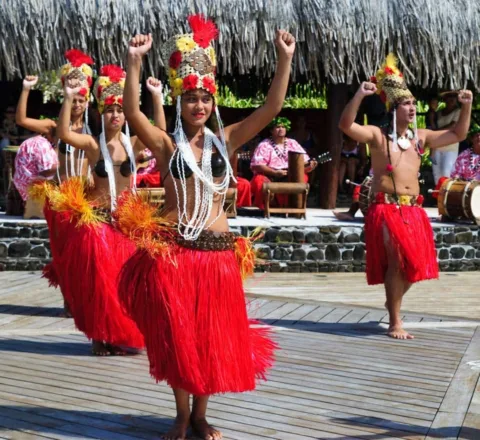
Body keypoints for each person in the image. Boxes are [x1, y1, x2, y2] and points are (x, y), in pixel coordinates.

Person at [118, 14, 294, 440]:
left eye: (205, 99)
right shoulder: (164, 144)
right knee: (180, 338)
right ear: (179, 102)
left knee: (210, 338)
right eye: (191, 98)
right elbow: (130, 110)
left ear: (213, 103)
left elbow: (272, 108)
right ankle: (181, 415)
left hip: (217, 256)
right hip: (179, 252)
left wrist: (284, 59)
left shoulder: (226, 140)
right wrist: (135, 63)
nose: (199, 105)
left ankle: (201, 414)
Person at [338, 53, 472, 340]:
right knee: (398, 260)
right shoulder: (377, 136)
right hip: (385, 209)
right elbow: (346, 126)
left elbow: (459, 134)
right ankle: (395, 322)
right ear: (394, 109)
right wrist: (360, 96)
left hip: (414, 211)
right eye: (406, 104)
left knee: (413, 266)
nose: (412, 108)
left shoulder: (421, 137)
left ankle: (392, 301)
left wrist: (467, 105)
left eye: (413, 103)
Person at [51, 64, 146, 355]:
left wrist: (153, 97)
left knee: (123, 287)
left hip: (126, 226)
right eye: (109, 110)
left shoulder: (133, 143)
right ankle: (97, 336)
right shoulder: (93, 145)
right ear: (101, 114)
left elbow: (160, 130)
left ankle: (117, 335)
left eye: (120, 109)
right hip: (99, 225)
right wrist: (69, 96)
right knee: (100, 286)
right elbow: (65, 133)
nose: (115, 115)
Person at [250, 117, 318, 210]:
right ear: (271, 130)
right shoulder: (264, 145)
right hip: (270, 175)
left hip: (289, 175)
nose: (281, 129)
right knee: (259, 181)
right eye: (278, 127)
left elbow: (304, 162)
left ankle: (294, 206)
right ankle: (267, 207)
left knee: (303, 176)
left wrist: (310, 166)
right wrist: (274, 173)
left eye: (283, 127)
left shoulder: (293, 143)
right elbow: (257, 165)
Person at [431, 91, 461, 184]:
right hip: (437, 147)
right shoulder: (439, 112)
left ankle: (448, 197)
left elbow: (452, 126)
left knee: (446, 173)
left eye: (454, 96)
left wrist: (436, 133)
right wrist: (431, 119)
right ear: (444, 99)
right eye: (449, 96)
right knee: (437, 175)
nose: (452, 98)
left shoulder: (458, 111)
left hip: (450, 147)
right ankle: (438, 197)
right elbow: (433, 128)